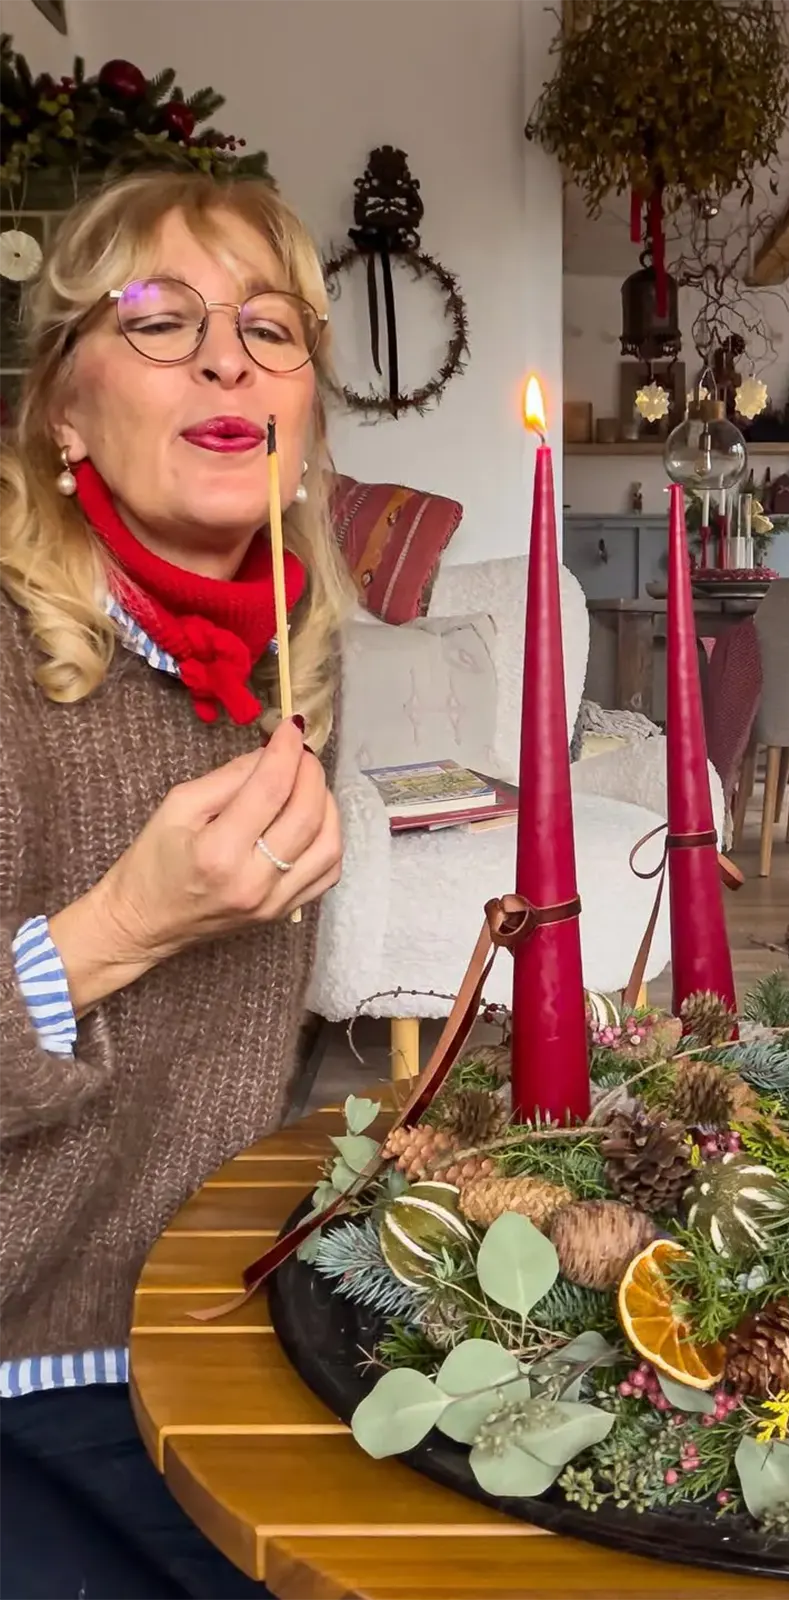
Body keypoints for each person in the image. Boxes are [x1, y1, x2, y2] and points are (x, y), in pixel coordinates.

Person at [0, 169, 354, 1598]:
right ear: (62, 410)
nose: (226, 359)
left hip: (214, 1338)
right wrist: (120, 927)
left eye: (271, 328)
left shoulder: (295, 666)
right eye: (158, 319)